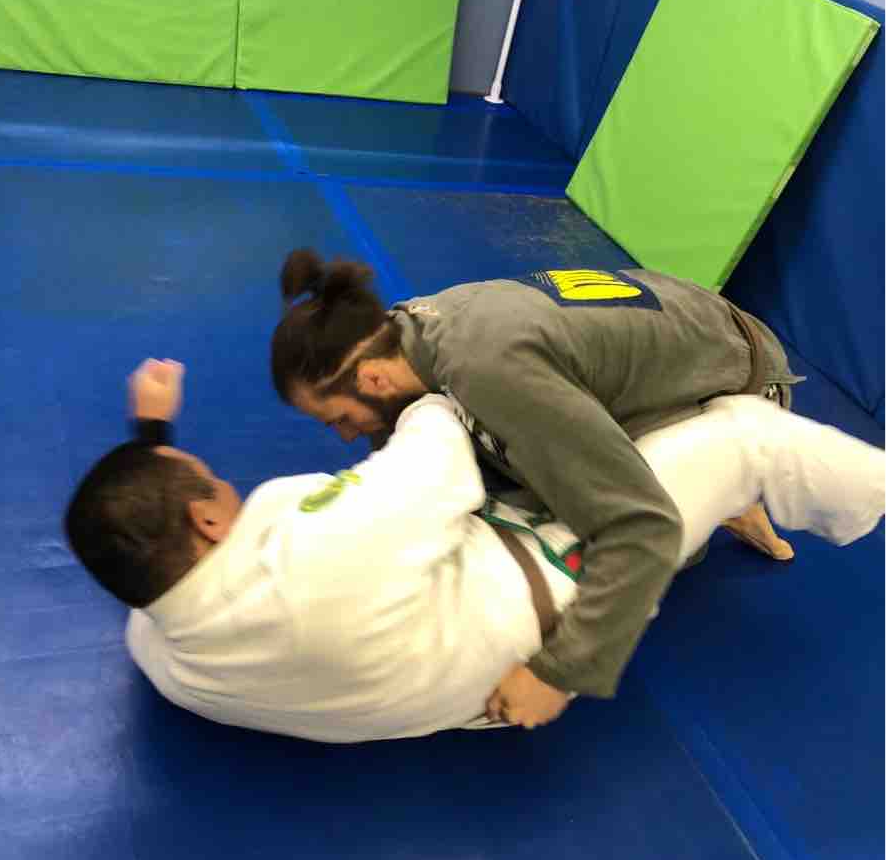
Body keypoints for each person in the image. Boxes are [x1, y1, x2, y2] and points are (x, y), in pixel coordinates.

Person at [63, 358, 884, 742]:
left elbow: (139, 534)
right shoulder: (320, 557)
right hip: (554, 588)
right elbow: (441, 460)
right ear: (206, 523)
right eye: (212, 483)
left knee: (608, 433)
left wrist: (153, 434)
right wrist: (420, 383)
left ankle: (723, 509)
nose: (228, 486)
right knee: (743, 436)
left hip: (455, 640)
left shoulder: (161, 645)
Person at [269, 251, 816, 725]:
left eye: (338, 419)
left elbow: (643, 528)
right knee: (498, 463)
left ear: (371, 379)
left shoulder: (488, 369)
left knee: (577, 520)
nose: (345, 436)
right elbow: (405, 437)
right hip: (692, 324)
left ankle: (731, 484)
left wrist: (557, 674)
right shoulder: (403, 330)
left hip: (745, 384)